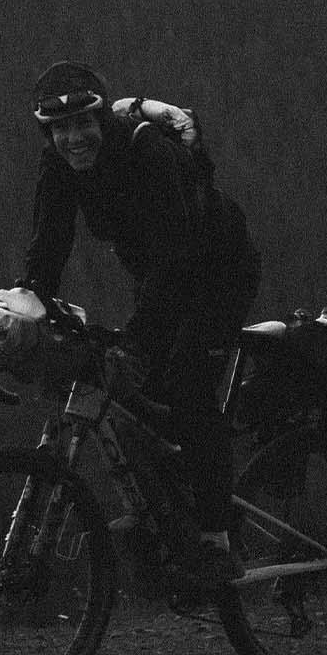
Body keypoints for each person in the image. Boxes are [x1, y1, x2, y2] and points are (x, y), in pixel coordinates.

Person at [21, 59, 261, 590]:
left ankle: (217, 540)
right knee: (142, 395)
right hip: (158, 275)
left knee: (188, 387)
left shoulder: (145, 151)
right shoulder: (59, 164)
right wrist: (25, 311)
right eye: (59, 129)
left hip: (217, 271)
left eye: (82, 123)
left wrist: (137, 336)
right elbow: (49, 243)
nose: (73, 139)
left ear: (102, 119)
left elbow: (178, 255)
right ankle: (173, 513)